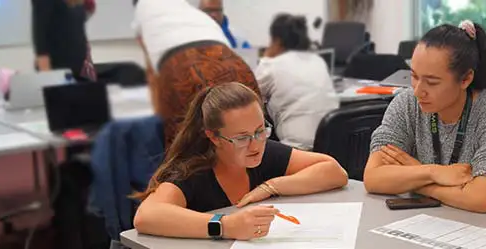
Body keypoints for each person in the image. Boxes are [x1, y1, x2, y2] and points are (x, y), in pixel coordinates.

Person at [132, 83, 348, 240]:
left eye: (260, 131)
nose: (255, 145)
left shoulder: (263, 152)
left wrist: (270, 186)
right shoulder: (191, 171)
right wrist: (225, 226)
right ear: (214, 137)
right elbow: (146, 216)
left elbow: (334, 172)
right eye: (241, 138)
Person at [363, 21, 486, 217]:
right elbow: (373, 178)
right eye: (414, 76)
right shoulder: (406, 104)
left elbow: (481, 198)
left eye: (432, 82)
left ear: (465, 79)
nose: (418, 91)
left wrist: (416, 174)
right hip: (429, 221)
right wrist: (434, 172)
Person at [133, 0, 261, 146]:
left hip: (181, 69)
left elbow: (152, 76)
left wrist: (159, 113)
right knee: (253, 136)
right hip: (230, 60)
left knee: (186, 150)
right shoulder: (189, 10)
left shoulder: (141, 14)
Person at [256, 14, 338, 150]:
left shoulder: (271, 65)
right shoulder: (318, 61)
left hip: (297, 148)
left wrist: (267, 55)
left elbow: (248, 95)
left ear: (276, 40)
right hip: (330, 146)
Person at [32, 0, 97, 82]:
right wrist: (47, 78)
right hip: (59, 68)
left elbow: (73, 24)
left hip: (82, 66)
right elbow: (40, 36)